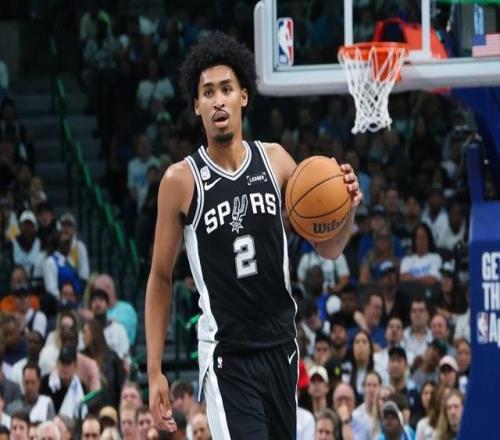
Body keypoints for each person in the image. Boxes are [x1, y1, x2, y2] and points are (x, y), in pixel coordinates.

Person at [145, 31, 361, 439]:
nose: (218, 100)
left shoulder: (276, 161)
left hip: (281, 347)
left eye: (226, 89)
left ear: (243, 96)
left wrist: (346, 210)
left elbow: (329, 248)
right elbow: (159, 276)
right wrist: (154, 369)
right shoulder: (181, 181)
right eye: (208, 92)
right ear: (197, 106)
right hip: (228, 356)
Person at [353, 371, 382, 438]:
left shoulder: (384, 414)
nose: (371, 389)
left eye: (375, 385)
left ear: (380, 388)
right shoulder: (356, 416)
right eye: (368, 385)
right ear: (364, 388)